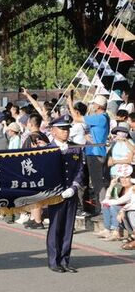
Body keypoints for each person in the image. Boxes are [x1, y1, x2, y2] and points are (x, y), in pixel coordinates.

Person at [46, 115, 85, 273]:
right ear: (53, 131)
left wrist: (74, 187)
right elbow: (44, 173)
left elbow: (80, 170)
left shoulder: (75, 147)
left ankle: (65, 260)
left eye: (67, 129)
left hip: (71, 192)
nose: (66, 132)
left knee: (68, 227)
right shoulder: (46, 150)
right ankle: (54, 261)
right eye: (62, 129)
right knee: (55, 227)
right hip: (56, 194)